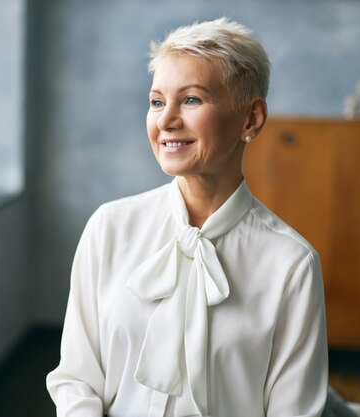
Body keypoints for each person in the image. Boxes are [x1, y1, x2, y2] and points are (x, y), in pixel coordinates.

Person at [46, 17, 328, 417]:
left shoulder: (292, 265)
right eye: (157, 101)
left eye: (191, 100)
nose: (165, 120)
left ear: (251, 119)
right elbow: (76, 380)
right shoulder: (108, 228)